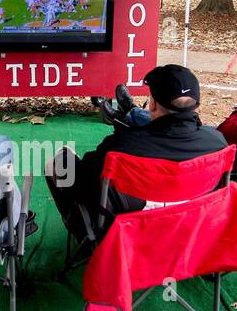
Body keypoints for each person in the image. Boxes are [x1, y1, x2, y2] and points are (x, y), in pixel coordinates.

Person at [49, 63, 227, 229]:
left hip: (128, 238)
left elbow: (81, 181)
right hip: (190, 232)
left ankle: (85, 235)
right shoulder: (218, 143)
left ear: (153, 104)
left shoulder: (121, 147)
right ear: (197, 105)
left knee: (59, 164)